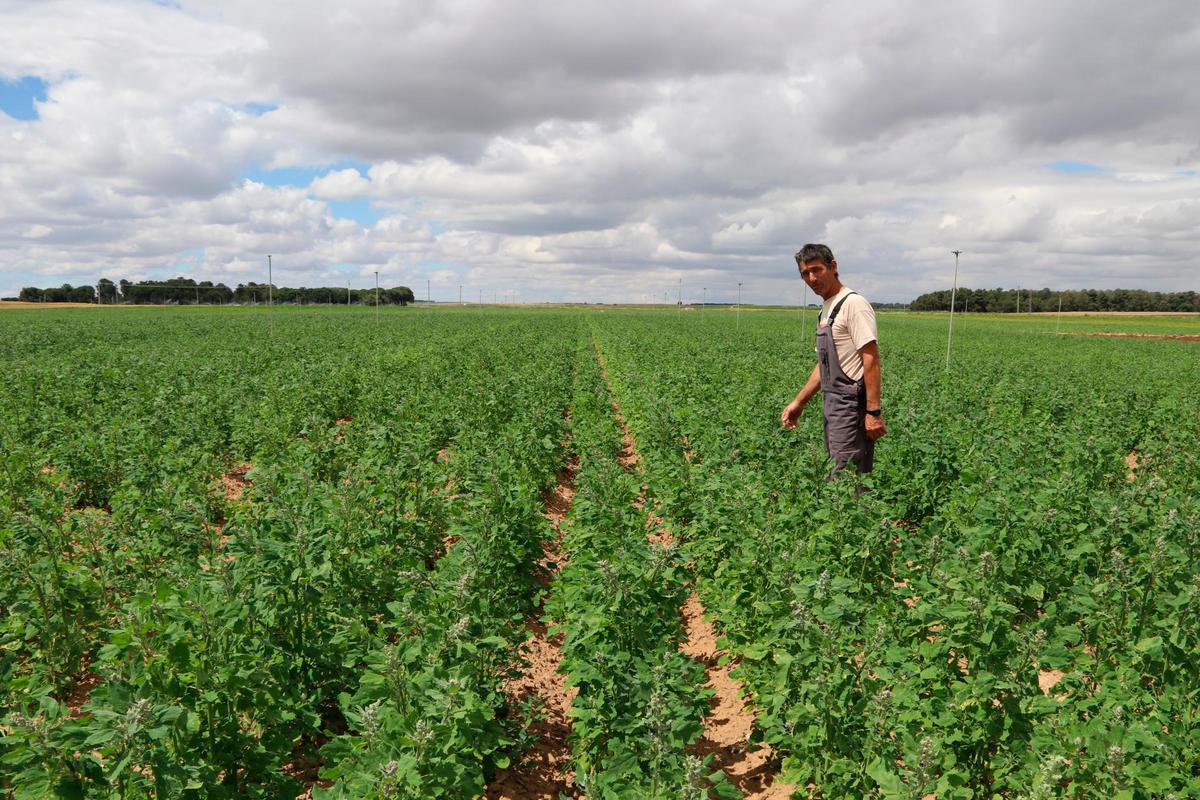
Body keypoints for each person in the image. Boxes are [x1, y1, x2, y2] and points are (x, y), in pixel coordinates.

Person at [780, 243, 885, 475]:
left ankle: (859, 511)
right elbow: (824, 366)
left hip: (850, 405)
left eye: (817, 269)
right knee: (836, 469)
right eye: (805, 273)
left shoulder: (853, 304)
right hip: (833, 403)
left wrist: (873, 413)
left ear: (833, 266)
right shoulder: (826, 309)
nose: (811, 278)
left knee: (846, 475)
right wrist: (800, 402)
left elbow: (871, 359)